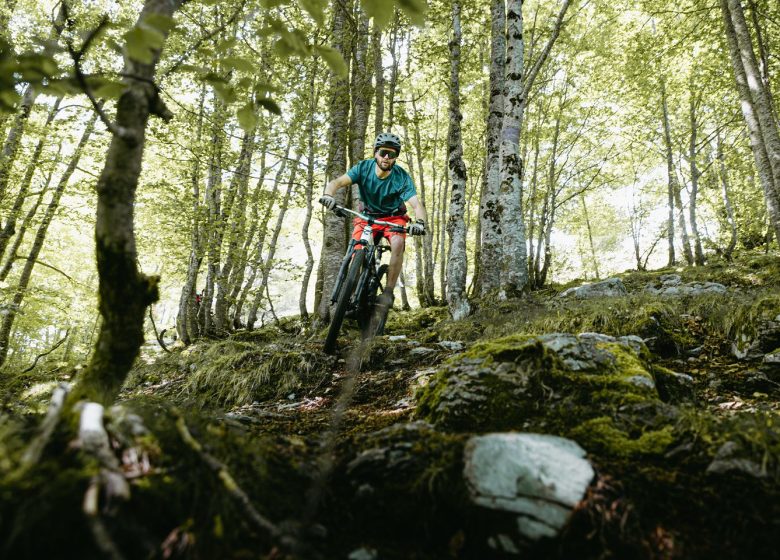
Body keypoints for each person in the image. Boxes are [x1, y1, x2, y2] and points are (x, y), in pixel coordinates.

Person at [319, 132, 427, 313]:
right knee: (356, 251)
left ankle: (388, 292)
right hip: (367, 216)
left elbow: (417, 204)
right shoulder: (363, 168)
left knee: (398, 243)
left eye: (391, 154)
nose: (386, 157)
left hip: (393, 217)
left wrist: (420, 223)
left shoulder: (401, 177)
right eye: (383, 152)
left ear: (395, 158)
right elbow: (337, 182)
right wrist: (328, 195)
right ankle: (351, 294)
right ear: (375, 153)